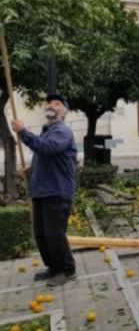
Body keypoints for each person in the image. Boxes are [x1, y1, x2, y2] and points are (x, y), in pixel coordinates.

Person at [10, 94, 78, 286]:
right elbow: (47, 158)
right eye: (50, 103)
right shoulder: (46, 132)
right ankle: (53, 268)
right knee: (41, 234)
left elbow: (47, 148)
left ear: (64, 112)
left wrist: (23, 132)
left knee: (54, 234)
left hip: (57, 191)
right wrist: (30, 171)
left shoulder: (62, 132)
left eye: (58, 103)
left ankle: (66, 270)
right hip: (41, 191)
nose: (52, 105)